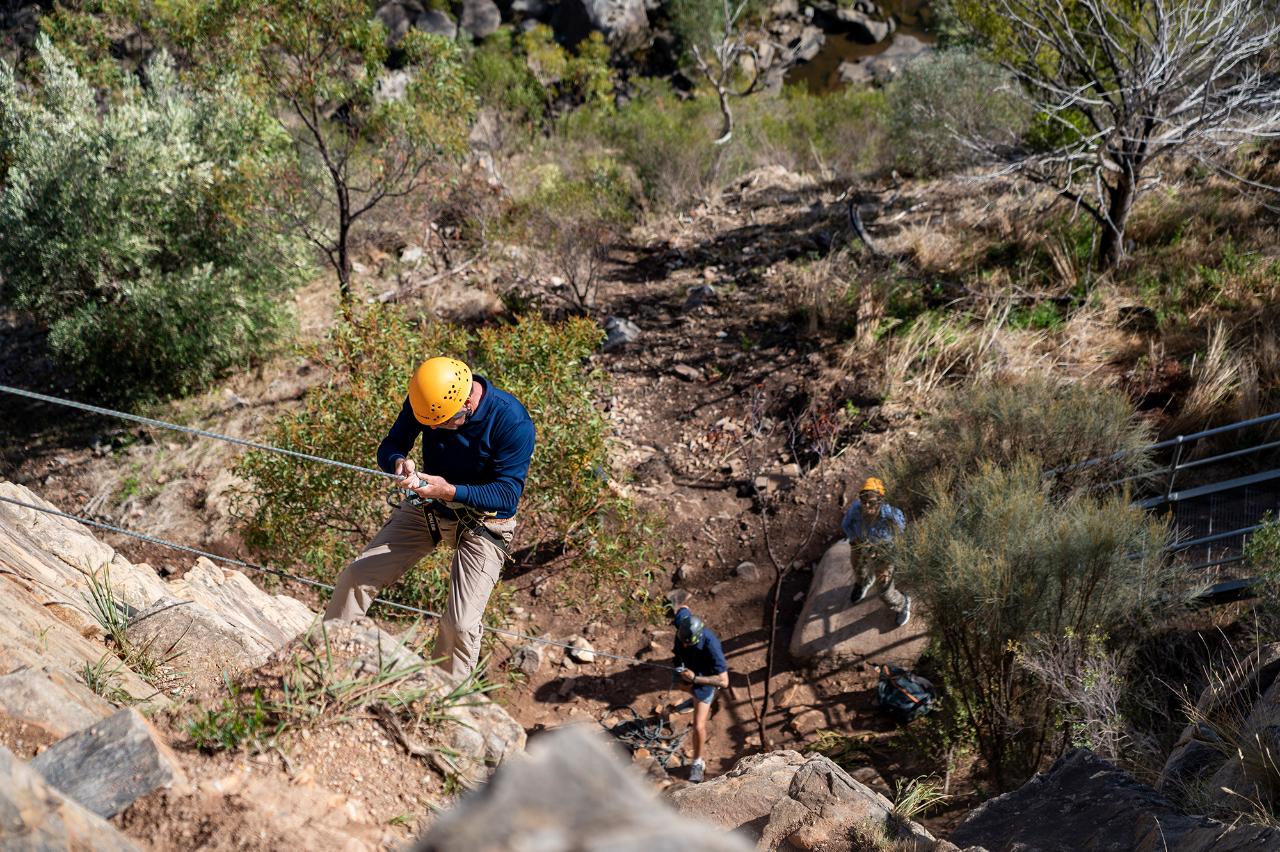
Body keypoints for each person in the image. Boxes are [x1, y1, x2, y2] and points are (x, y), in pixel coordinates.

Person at [324, 357, 536, 679]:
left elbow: (507, 495)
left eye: (445, 422)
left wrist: (449, 490)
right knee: (356, 576)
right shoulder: (428, 400)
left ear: (468, 402)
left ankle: (443, 701)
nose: (434, 429)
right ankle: (327, 661)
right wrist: (398, 463)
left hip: (484, 523)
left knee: (461, 624)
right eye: (431, 423)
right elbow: (392, 445)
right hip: (429, 506)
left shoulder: (512, 422)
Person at [671, 603, 729, 783]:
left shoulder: (712, 645)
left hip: (704, 677)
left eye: (688, 643)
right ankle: (694, 699)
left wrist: (695, 679)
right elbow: (683, 606)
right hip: (688, 669)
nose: (685, 646)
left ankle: (698, 762)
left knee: (698, 726)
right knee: (681, 686)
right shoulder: (683, 621)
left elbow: (724, 681)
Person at [843, 476, 910, 627]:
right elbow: (846, 524)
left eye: (871, 502)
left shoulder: (891, 515)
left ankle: (902, 603)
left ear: (881, 500)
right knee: (858, 568)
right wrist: (854, 541)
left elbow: (902, 534)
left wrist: (887, 552)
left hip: (884, 553)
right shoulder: (856, 510)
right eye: (863, 500)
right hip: (861, 545)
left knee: (884, 591)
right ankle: (863, 583)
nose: (866, 506)